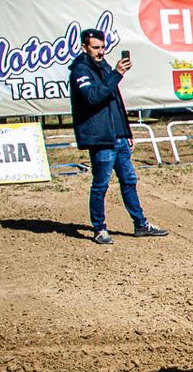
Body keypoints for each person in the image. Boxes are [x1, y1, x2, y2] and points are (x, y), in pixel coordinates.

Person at [67, 28, 167, 245]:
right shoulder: (80, 70)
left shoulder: (103, 66)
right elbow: (93, 97)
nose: (101, 52)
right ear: (84, 48)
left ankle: (140, 224)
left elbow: (115, 103)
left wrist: (126, 131)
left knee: (129, 180)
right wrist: (117, 74)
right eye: (96, 47)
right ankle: (99, 229)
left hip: (118, 137)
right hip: (101, 139)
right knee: (101, 185)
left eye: (103, 47)